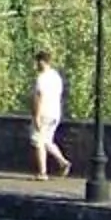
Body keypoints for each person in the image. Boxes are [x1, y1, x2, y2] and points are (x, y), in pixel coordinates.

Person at [29, 47, 71, 179]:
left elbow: (39, 97)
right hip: (55, 113)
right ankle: (63, 162)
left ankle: (42, 172)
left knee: (38, 141)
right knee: (47, 140)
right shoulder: (56, 77)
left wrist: (36, 116)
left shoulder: (41, 78)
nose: (35, 65)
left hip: (44, 113)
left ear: (41, 62)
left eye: (37, 62)